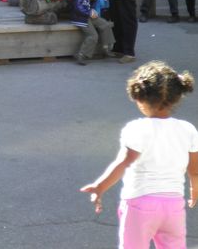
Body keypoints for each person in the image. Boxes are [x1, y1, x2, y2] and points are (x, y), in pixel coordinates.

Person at [80, 61, 198, 249]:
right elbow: (194, 170)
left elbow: (124, 163)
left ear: (140, 98)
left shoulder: (137, 128)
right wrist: (194, 189)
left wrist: (100, 186)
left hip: (139, 204)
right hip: (173, 205)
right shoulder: (187, 129)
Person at [69, 0, 115, 65]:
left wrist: (93, 3)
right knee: (93, 35)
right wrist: (89, 12)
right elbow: (78, 7)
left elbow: (88, 4)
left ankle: (106, 48)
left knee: (105, 25)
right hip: (81, 18)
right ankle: (81, 54)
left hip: (87, 15)